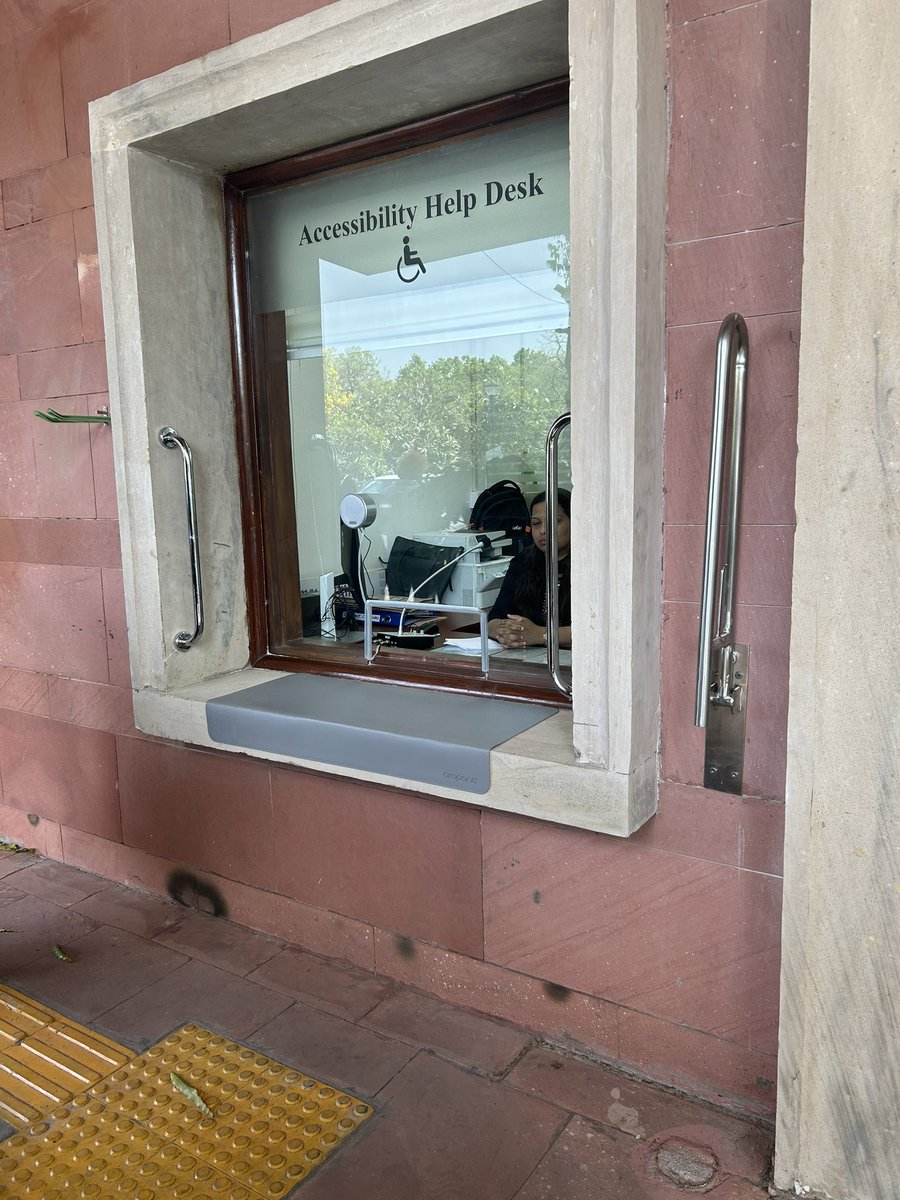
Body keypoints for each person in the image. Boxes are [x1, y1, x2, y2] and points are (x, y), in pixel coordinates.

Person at [487, 489, 571, 649]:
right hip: (530, 659)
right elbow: (492, 620)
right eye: (536, 523)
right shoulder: (522, 561)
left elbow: (596, 629)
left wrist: (540, 634)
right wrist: (504, 630)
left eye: (554, 521)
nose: (543, 531)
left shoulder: (591, 565)